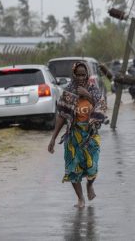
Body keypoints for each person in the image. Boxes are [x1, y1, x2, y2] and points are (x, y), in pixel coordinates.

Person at [48, 61, 107, 208]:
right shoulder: (68, 92)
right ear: (73, 75)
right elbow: (62, 115)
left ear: (87, 74)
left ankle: (89, 185)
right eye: (78, 74)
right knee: (73, 168)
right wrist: (53, 138)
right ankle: (80, 198)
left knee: (92, 167)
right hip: (73, 135)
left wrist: (87, 96)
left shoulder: (93, 90)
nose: (80, 77)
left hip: (90, 135)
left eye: (83, 74)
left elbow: (102, 106)